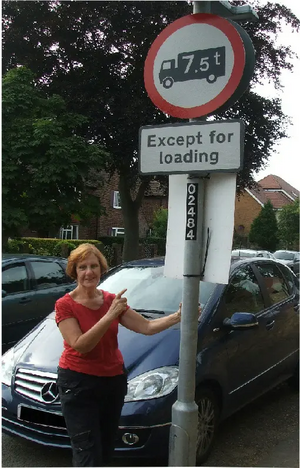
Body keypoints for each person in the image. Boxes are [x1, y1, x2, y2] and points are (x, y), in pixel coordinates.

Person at [55, 243, 183, 467]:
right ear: (74, 271)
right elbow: (80, 345)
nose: (89, 272)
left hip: (112, 381)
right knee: (87, 450)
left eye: (94, 266)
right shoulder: (65, 305)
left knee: (106, 446)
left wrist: (178, 316)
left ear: (101, 269)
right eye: (82, 267)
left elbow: (146, 327)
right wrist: (109, 315)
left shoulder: (110, 300)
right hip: (78, 384)